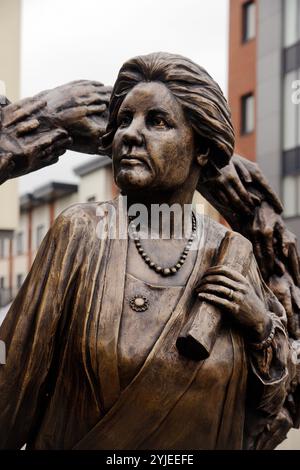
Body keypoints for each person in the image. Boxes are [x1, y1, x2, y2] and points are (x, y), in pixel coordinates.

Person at [0, 52, 293, 450]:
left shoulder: (233, 253)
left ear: (202, 149)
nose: (130, 134)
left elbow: (268, 416)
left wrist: (260, 328)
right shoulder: (81, 233)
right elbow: (11, 391)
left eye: (157, 121)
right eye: (124, 120)